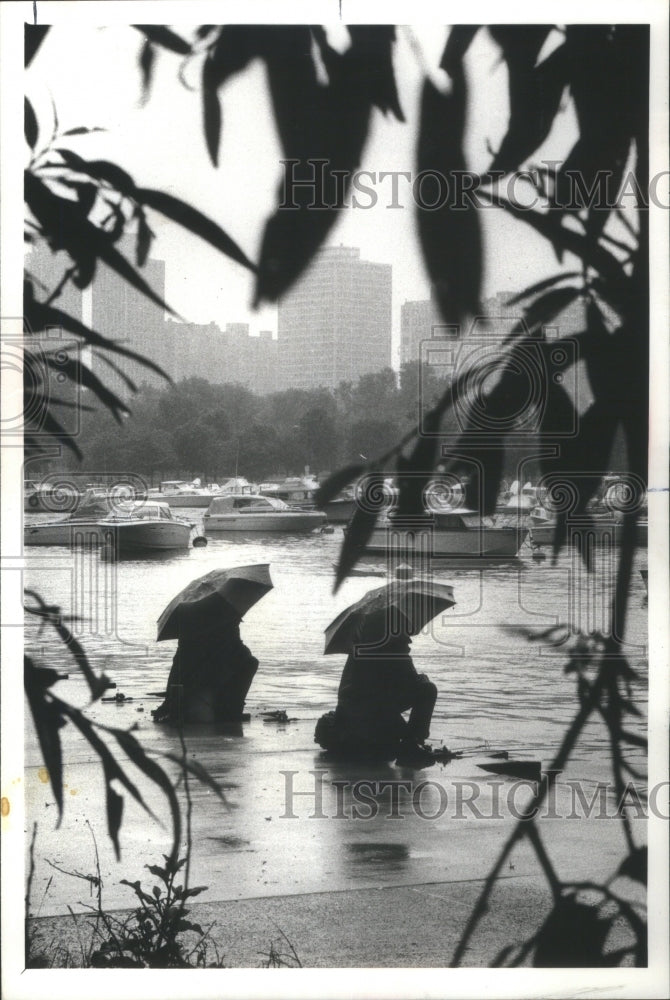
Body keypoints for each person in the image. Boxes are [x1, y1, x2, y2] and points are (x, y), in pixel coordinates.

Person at [315, 613, 437, 765]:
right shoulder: (394, 651)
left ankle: (407, 746)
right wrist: (411, 737)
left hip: (350, 721)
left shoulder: (361, 649)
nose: (409, 638)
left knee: (387, 742)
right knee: (428, 689)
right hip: (368, 723)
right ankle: (410, 747)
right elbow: (414, 685)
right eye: (405, 630)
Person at [152, 597, 258, 724]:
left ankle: (226, 706)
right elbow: (238, 650)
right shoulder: (225, 619)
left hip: (196, 674)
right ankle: (231, 708)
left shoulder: (189, 620)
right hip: (207, 673)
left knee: (240, 663)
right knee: (249, 663)